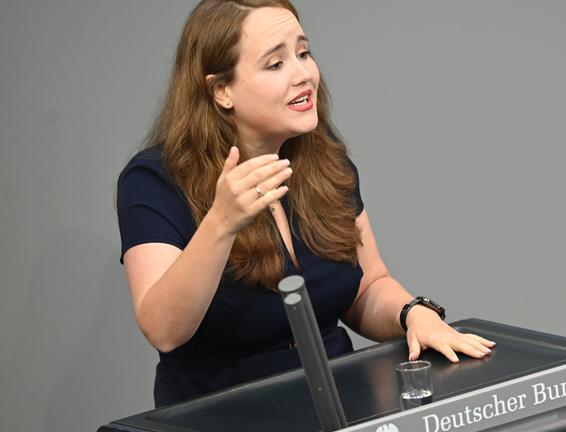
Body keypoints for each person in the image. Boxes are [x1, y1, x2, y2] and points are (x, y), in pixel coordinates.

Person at [117, 0, 495, 408]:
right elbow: (164, 330)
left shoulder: (326, 161)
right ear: (221, 90)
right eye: (275, 64)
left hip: (340, 403)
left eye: (303, 53)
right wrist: (220, 223)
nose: (304, 75)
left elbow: (366, 287)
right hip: (226, 413)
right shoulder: (155, 180)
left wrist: (412, 313)